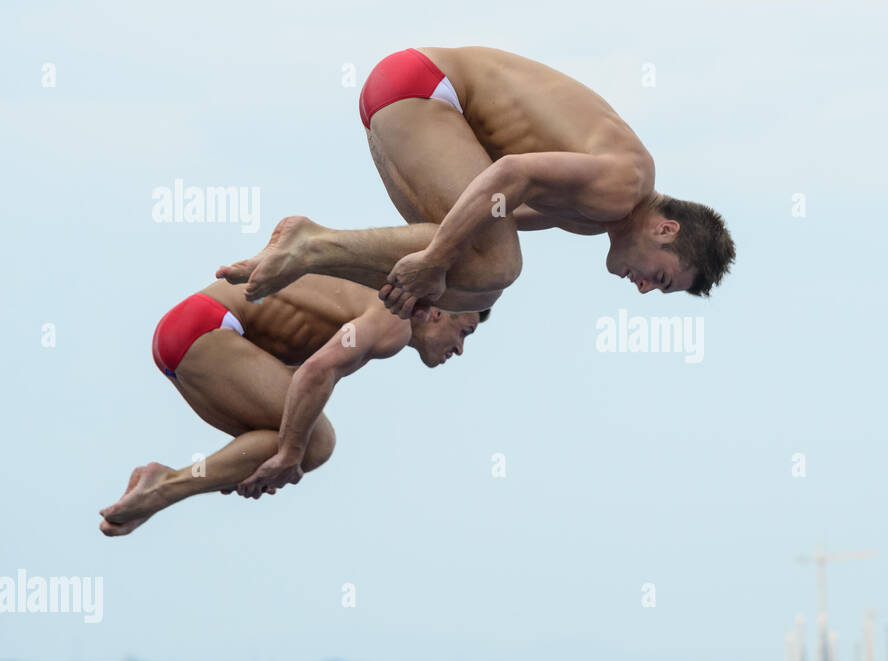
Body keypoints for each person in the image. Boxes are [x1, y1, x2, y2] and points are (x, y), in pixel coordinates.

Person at [217, 46, 735, 319]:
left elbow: (490, 211)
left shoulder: (600, 216)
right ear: (666, 230)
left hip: (406, 95)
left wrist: (435, 279)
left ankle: (309, 255)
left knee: (470, 289)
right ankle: (308, 243)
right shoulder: (625, 185)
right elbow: (511, 174)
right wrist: (435, 258)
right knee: (494, 263)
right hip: (429, 90)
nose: (643, 288)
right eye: (659, 278)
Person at [98, 275, 485, 536]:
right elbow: (315, 371)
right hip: (209, 328)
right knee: (313, 443)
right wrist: (291, 453)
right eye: (464, 332)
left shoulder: (369, 301)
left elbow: (298, 376)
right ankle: (166, 488)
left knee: (285, 441)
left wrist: (274, 459)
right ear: (437, 312)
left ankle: (164, 482)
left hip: (184, 335)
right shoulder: (393, 322)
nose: (461, 349)